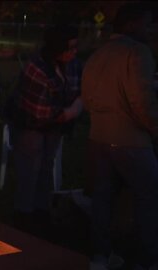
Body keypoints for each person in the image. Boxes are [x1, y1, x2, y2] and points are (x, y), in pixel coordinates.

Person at [82, 2, 158, 269]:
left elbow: (87, 98)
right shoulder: (137, 53)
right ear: (132, 24)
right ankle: (148, 258)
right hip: (131, 140)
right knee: (148, 196)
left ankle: (101, 255)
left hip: (98, 137)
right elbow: (143, 102)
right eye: (147, 23)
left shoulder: (97, 54)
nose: (150, 30)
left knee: (102, 198)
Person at [4, 24, 83, 230]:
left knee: (46, 168)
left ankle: (42, 211)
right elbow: (41, 112)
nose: (74, 52)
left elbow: (77, 90)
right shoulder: (37, 68)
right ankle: (24, 215)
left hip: (54, 127)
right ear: (57, 47)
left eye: (76, 47)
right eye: (70, 48)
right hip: (30, 125)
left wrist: (73, 106)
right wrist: (72, 111)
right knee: (30, 170)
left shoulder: (73, 65)